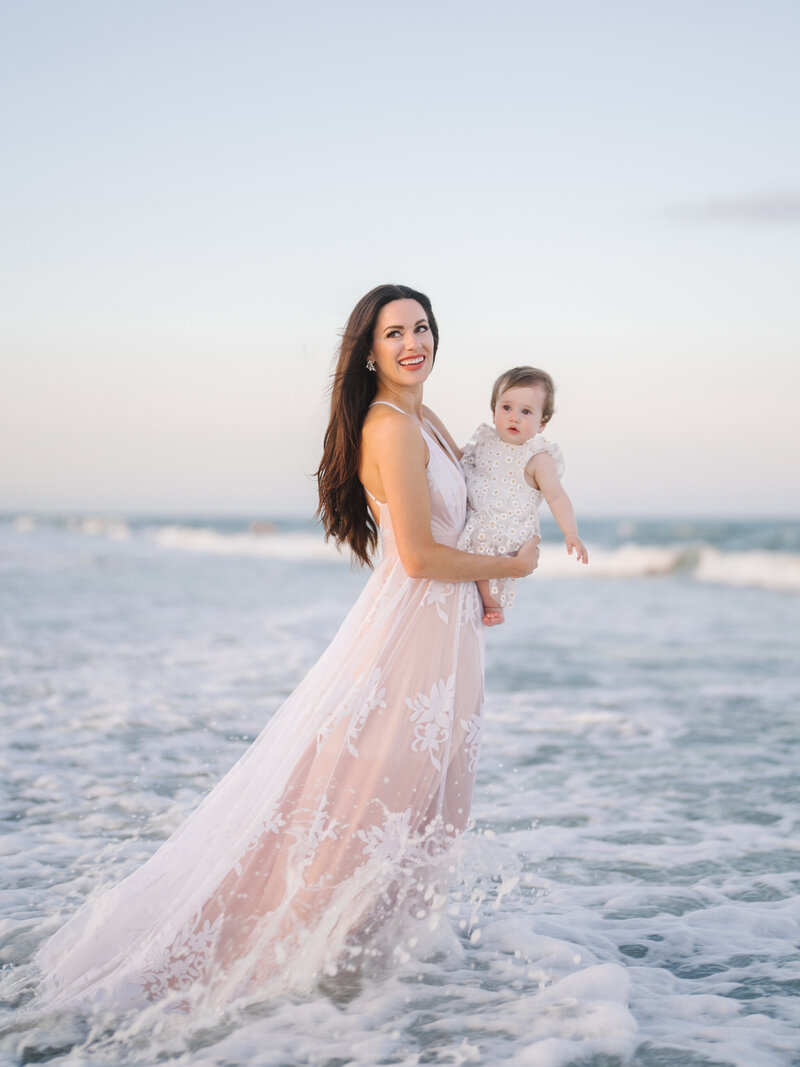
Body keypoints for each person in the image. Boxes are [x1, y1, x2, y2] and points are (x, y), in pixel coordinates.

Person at [34, 284, 539, 1013]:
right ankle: (297, 966)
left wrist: (530, 495)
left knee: (422, 804)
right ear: (369, 349)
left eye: (422, 327)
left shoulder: (423, 415)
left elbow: (473, 510)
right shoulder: (391, 427)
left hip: (448, 632)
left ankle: (379, 966)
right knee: (367, 800)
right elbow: (423, 557)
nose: (412, 342)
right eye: (394, 332)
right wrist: (512, 568)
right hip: (409, 632)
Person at [459, 366, 588, 624]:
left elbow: (556, 496)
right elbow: (459, 461)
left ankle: (493, 606)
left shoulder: (538, 457)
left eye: (526, 412)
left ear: (542, 423)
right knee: (471, 548)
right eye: (506, 408)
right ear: (493, 411)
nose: (514, 418)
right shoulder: (484, 441)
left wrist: (570, 532)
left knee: (487, 551)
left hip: (508, 526)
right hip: (477, 514)